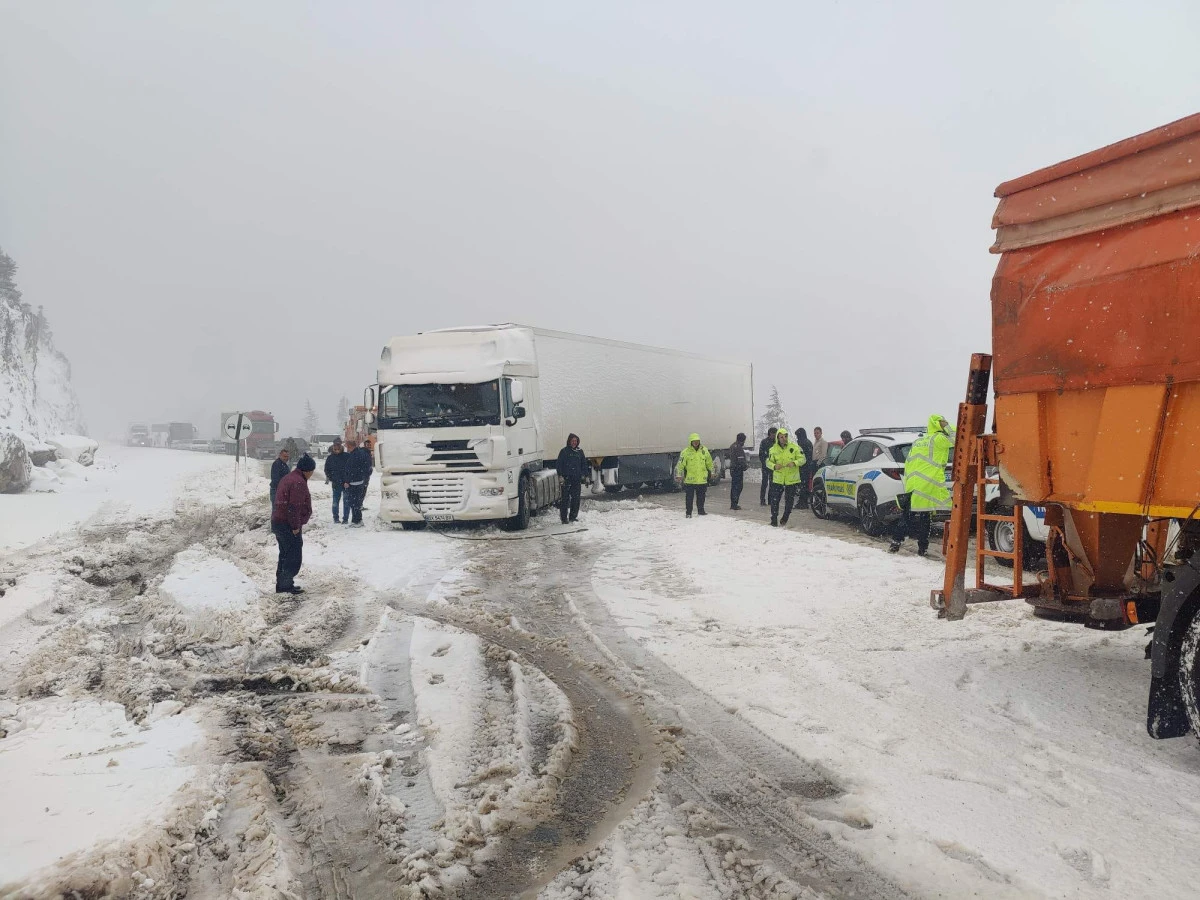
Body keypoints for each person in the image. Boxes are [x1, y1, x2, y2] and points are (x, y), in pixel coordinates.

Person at [889, 414, 954, 556]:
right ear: (938, 424)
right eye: (942, 422)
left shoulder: (919, 441)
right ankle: (922, 548)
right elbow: (957, 437)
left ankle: (896, 542)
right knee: (925, 517)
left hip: (914, 483)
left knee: (907, 515)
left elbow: (909, 462)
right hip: (928, 483)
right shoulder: (939, 439)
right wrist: (947, 426)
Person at [272, 454, 315, 594]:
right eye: (312, 471)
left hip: (280, 522)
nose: (312, 474)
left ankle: (284, 584)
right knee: (292, 556)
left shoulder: (291, 477)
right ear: (307, 470)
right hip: (288, 525)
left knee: (285, 554)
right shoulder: (298, 482)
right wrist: (295, 527)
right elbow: (294, 507)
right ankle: (285, 586)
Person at [765, 428, 806, 527]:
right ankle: (774, 519)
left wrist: (794, 463)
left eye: (786, 436)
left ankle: (785, 517)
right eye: (781, 437)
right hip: (778, 479)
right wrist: (774, 466)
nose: (784, 439)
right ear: (778, 438)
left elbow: (803, 459)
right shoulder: (773, 449)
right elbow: (768, 462)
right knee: (775, 500)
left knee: (789, 501)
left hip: (791, 480)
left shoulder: (795, 447)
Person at [675, 433, 714, 518]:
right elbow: (680, 465)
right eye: (694, 441)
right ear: (691, 442)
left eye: (697, 441)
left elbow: (710, 463)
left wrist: (713, 472)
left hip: (702, 480)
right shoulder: (685, 452)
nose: (696, 443)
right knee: (689, 498)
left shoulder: (704, 451)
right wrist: (678, 475)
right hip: (690, 480)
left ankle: (701, 510)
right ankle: (688, 513)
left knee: (701, 497)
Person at [556, 433, 588, 524]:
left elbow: (584, 464)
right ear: (569, 441)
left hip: (576, 479)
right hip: (566, 479)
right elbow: (559, 464)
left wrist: (586, 476)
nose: (574, 442)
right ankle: (564, 518)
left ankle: (573, 517)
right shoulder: (564, 451)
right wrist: (560, 475)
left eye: (575, 441)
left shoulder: (580, 452)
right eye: (572, 441)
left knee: (576, 499)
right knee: (565, 500)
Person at [344, 439, 373, 527]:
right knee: (356, 502)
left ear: (350, 446)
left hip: (354, 482)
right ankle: (356, 520)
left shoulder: (354, 455)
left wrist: (347, 481)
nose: (346, 448)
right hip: (359, 481)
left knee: (354, 502)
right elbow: (367, 467)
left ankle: (357, 521)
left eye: (347, 446)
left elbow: (351, 470)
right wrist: (364, 477)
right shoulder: (360, 453)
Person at [323, 438, 349, 523]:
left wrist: (347, 480)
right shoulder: (330, 458)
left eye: (338, 446)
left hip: (346, 483)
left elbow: (351, 469)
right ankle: (336, 518)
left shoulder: (347, 456)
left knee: (346, 502)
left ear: (341, 446)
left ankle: (345, 519)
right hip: (336, 483)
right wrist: (332, 478)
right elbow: (327, 470)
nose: (337, 448)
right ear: (333, 446)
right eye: (335, 446)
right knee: (335, 502)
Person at [794, 427, 815, 508]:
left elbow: (801, 456)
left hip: (803, 467)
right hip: (807, 467)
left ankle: (802, 502)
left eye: (797, 436)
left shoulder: (803, 443)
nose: (797, 438)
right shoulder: (808, 442)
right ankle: (804, 501)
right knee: (805, 485)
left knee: (803, 485)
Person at [727, 432, 749, 510]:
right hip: (738, 469)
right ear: (742, 440)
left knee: (734, 487)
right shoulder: (738, 448)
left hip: (733, 468)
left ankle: (733, 503)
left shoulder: (732, 446)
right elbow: (741, 460)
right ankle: (734, 504)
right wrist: (745, 466)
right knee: (738, 487)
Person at [758, 427, 778, 506]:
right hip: (766, 467)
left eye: (775, 434)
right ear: (769, 434)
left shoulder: (776, 443)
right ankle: (762, 500)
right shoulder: (764, 442)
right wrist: (765, 463)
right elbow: (761, 454)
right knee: (764, 483)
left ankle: (771, 500)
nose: (774, 436)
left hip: (773, 467)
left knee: (772, 484)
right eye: (772, 434)